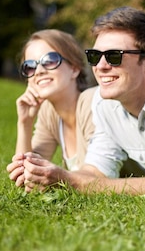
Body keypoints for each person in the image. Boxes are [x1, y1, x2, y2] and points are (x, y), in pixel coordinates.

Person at [15, 7, 145, 195]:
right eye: (95, 56)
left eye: (113, 56)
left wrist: (71, 181)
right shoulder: (104, 102)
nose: (101, 66)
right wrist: (52, 177)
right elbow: (95, 172)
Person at [7, 30, 96, 186]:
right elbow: (26, 176)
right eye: (30, 66)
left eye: (50, 60)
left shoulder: (91, 103)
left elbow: (99, 178)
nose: (39, 71)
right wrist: (25, 123)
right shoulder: (49, 112)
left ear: (74, 69)